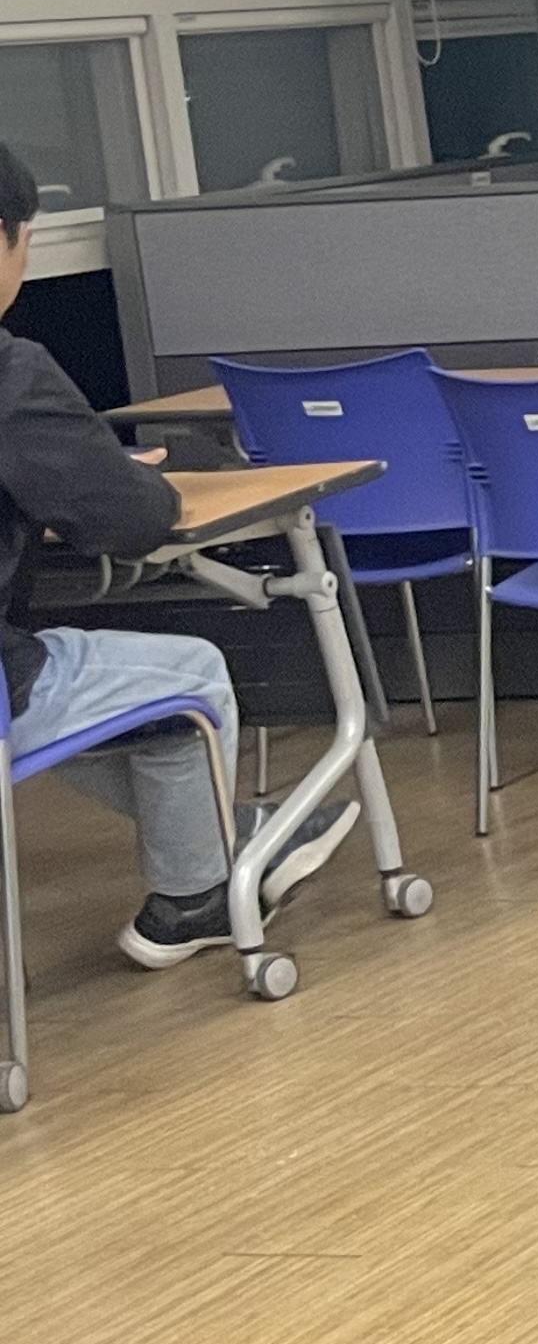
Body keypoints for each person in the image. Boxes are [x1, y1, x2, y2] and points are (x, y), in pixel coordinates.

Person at [0, 145, 345, 962]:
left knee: (129, 701)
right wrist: (112, 479)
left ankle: (229, 836)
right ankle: (196, 897)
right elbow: (133, 522)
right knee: (189, 675)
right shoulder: (10, 372)